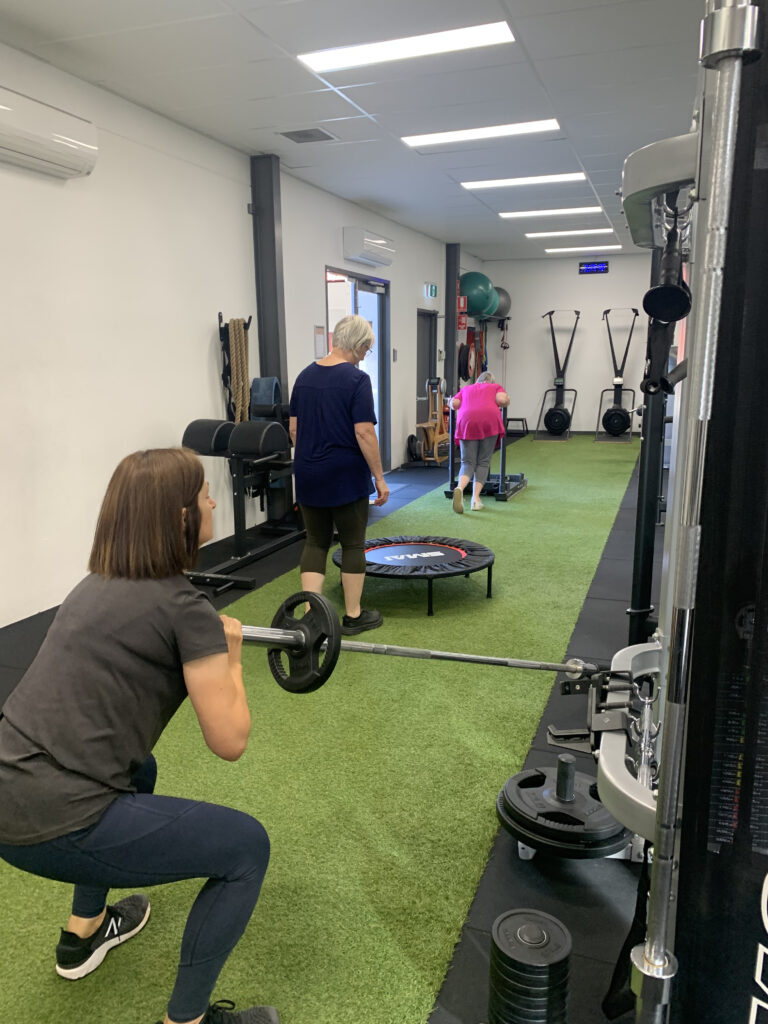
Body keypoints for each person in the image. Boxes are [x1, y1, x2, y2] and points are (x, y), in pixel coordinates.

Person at [0, 448, 277, 1024]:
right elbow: (230, 741)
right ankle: (188, 1019)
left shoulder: (93, 585)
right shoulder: (185, 610)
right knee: (246, 848)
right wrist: (230, 658)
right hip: (53, 821)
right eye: (204, 493)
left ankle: (84, 933)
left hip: (7, 790)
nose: (211, 501)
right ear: (180, 517)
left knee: (140, 770)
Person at [289, 314, 389, 636]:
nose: (364, 356)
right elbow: (364, 433)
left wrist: (312, 454)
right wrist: (379, 477)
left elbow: (294, 429)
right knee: (352, 544)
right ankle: (353, 615)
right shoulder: (357, 381)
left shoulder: (303, 376)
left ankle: (312, 616)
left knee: (315, 542)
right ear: (358, 346)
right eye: (366, 350)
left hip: (307, 472)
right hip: (344, 476)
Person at [450, 370, 510, 513]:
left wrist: (450, 401)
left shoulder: (466, 389)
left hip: (467, 422)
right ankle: (475, 500)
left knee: (468, 462)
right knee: (483, 461)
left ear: (478, 380)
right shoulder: (495, 387)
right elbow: (502, 400)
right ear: (491, 381)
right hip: (488, 421)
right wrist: (508, 399)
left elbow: (454, 404)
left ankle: (460, 488)